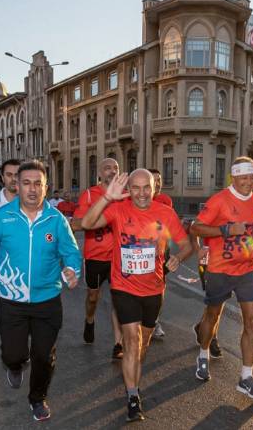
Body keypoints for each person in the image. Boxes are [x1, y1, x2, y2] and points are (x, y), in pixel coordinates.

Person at [0, 160, 81, 422]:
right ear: (16, 186)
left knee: (44, 356)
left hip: (47, 299)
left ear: (46, 188)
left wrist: (72, 270)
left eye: (38, 184)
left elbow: (71, 251)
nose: (32, 189)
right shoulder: (2, 216)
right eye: (26, 183)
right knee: (14, 353)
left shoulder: (56, 220)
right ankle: (14, 364)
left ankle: (37, 398)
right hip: (11, 299)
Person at [82, 169, 192, 422]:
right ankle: (133, 395)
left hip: (154, 288)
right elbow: (87, 224)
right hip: (123, 286)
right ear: (129, 189)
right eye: (136, 188)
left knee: (142, 346)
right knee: (131, 341)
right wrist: (107, 198)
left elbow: (186, 244)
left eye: (147, 188)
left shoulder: (165, 213)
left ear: (154, 188)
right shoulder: (119, 209)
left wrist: (177, 257)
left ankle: (133, 377)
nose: (141, 194)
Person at [191, 156, 253, 399]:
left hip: (246, 269)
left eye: (251, 177)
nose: (248, 182)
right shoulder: (219, 200)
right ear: (233, 177)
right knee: (212, 315)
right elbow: (196, 227)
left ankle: (246, 377)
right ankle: (203, 354)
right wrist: (225, 229)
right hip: (219, 268)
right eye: (243, 177)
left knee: (252, 322)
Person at [71, 158, 123, 358]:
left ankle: (118, 344)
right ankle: (89, 320)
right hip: (95, 257)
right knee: (93, 297)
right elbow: (77, 224)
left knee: (118, 300)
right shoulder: (90, 194)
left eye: (116, 168)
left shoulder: (124, 195)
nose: (112, 171)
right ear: (99, 174)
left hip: (118, 258)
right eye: (108, 168)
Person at [191, 226, 223, 359]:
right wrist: (198, 249)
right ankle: (212, 337)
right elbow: (194, 228)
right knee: (215, 300)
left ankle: (202, 327)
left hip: (228, 261)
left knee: (218, 301)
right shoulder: (213, 208)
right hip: (208, 259)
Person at [148, 168, 172, 338]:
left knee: (160, 286)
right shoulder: (138, 199)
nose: (157, 183)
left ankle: (155, 321)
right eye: (154, 180)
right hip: (141, 249)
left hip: (162, 249)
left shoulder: (166, 200)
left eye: (160, 180)